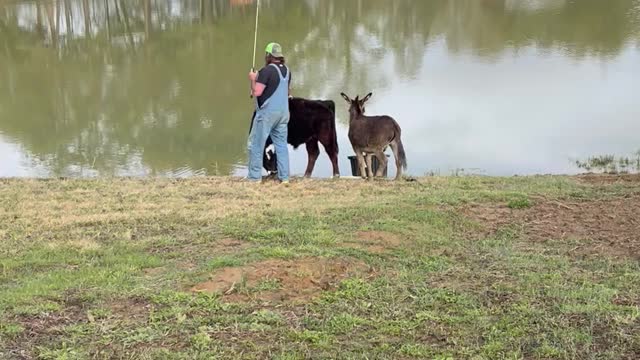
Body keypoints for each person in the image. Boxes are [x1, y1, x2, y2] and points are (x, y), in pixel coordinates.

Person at [246, 42, 291, 183]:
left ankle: (254, 178)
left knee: (256, 144)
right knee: (281, 145)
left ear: (268, 55)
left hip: (267, 115)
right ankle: (284, 178)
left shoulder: (266, 71)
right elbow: (287, 91)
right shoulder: (287, 71)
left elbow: (257, 92)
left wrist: (253, 79)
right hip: (283, 114)